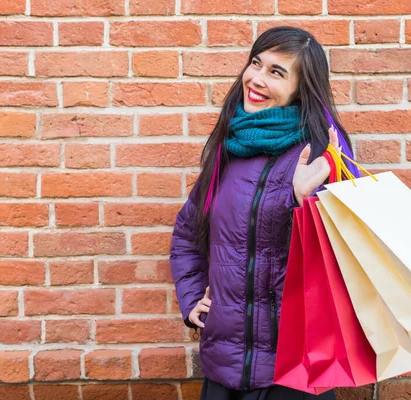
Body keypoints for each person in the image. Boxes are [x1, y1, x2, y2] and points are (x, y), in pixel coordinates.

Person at [170, 26, 356, 400]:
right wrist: (192, 301)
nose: (256, 78)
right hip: (224, 367)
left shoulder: (322, 154)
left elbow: (346, 258)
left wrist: (306, 201)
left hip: (296, 371)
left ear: (300, 89)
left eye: (276, 72)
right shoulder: (228, 149)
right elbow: (188, 235)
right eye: (256, 64)